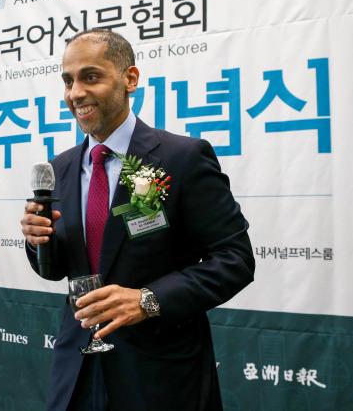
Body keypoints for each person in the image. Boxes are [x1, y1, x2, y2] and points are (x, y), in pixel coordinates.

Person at [21, 29, 255, 410]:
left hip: (159, 376)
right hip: (77, 370)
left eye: (90, 76)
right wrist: (38, 242)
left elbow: (235, 259)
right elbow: (57, 269)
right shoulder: (60, 168)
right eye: (68, 80)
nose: (75, 92)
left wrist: (147, 300)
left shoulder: (182, 157)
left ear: (130, 79)